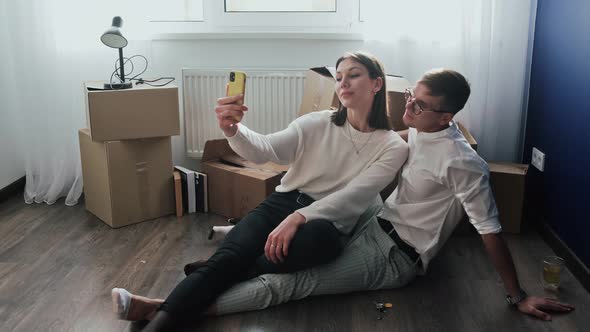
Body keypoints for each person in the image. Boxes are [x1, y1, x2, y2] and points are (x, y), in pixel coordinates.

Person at [114, 68, 574, 323]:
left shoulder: (461, 162)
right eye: (409, 96)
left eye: (417, 104)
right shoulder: (416, 133)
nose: (406, 106)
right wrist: (233, 128)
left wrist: (517, 296)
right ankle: (228, 259)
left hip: (399, 254)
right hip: (377, 219)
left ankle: (168, 307)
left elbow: (489, 230)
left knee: (291, 282)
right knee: (295, 237)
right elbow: (285, 155)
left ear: (445, 115)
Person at [111, 51, 409, 331]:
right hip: (282, 204)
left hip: (327, 224)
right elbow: (264, 150)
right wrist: (233, 130)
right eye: (340, 76)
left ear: (376, 84)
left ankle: (220, 270)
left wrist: (297, 219)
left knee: (316, 245)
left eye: (353, 75)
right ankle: (159, 319)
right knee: (229, 261)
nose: (343, 82)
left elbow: (354, 196)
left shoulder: (392, 147)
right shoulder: (318, 122)